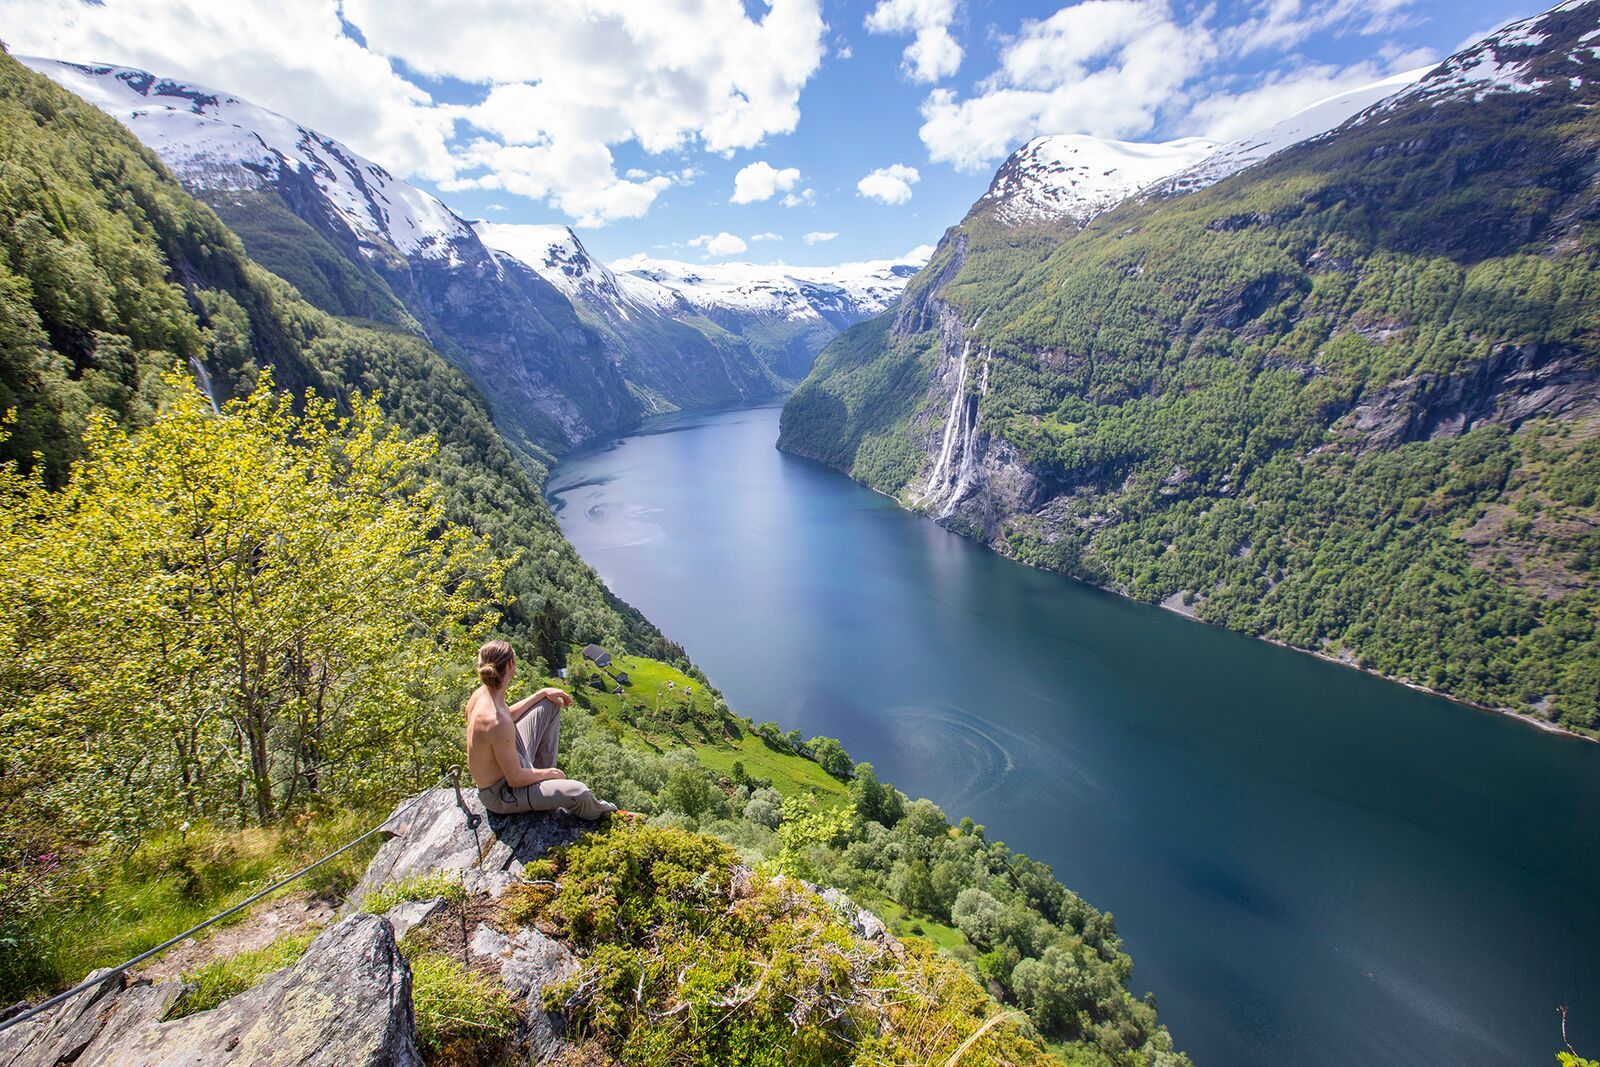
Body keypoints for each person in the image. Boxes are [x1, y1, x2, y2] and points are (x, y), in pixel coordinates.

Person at [465, 639, 616, 820]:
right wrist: (552, 773)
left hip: (510, 764)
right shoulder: (496, 721)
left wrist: (541, 693)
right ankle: (607, 814)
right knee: (580, 793)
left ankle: (543, 783)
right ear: (511, 665)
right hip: (503, 792)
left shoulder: (483, 694)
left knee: (548, 704)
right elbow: (515, 779)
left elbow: (507, 717)